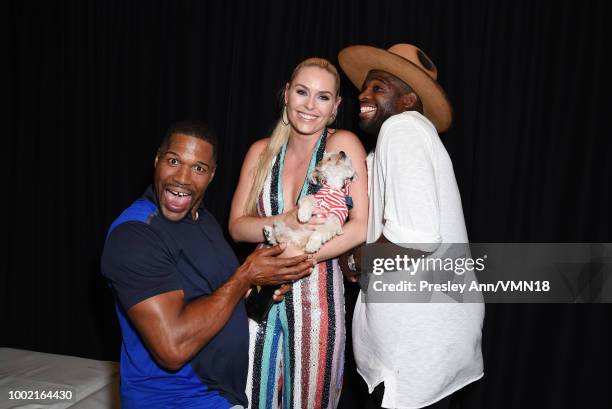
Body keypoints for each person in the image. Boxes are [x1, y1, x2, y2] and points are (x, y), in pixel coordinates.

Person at [101, 120, 315, 409]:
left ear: (211, 175)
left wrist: (258, 286)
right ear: (157, 160)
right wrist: (245, 277)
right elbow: (173, 347)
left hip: (219, 397)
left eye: (198, 168)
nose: (183, 178)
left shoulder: (203, 219)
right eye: (174, 161)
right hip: (173, 400)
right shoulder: (135, 235)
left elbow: (213, 294)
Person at [337, 44, 485, 408]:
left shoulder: (401, 129)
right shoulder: (407, 141)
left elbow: (415, 238)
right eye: (365, 87)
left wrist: (357, 260)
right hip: (429, 339)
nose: (364, 95)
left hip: (416, 344)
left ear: (408, 100)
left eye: (379, 87)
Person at [229, 58, 368, 408]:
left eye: (323, 97)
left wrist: (299, 258)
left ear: (336, 106)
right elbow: (237, 226)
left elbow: (362, 224)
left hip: (318, 302)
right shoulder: (260, 152)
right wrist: (286, 220)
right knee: (251, 399)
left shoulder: (344, 145)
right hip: (258, 295)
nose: (309, 105)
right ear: (287, 94)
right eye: (302, 92)